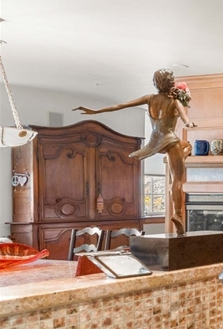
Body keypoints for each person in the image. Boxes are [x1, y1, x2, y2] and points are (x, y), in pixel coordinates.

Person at [74, 69, 196, 235]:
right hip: (170, 140)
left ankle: (181, 156)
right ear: (169, 83)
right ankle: (178, 214)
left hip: (156, 142)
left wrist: (96, 111)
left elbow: (120, 105)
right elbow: (184, 116)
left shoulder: (149, 98)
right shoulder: (174, 101)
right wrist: (189, 124)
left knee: (186, 147)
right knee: (178, 180)